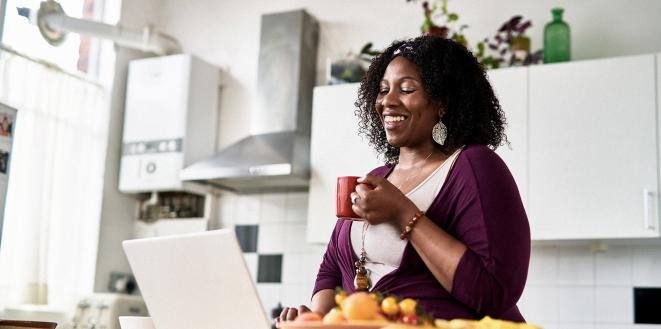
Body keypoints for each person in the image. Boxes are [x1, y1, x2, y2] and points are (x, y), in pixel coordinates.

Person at [276, 35, 530, 326]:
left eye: (407, 89)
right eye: (383, 90)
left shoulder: (473, 166)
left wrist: (403, 212)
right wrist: (316, 316)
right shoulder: (377, 178)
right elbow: (333, 266)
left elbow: (493, 291)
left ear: (442, 103)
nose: (387, 102)